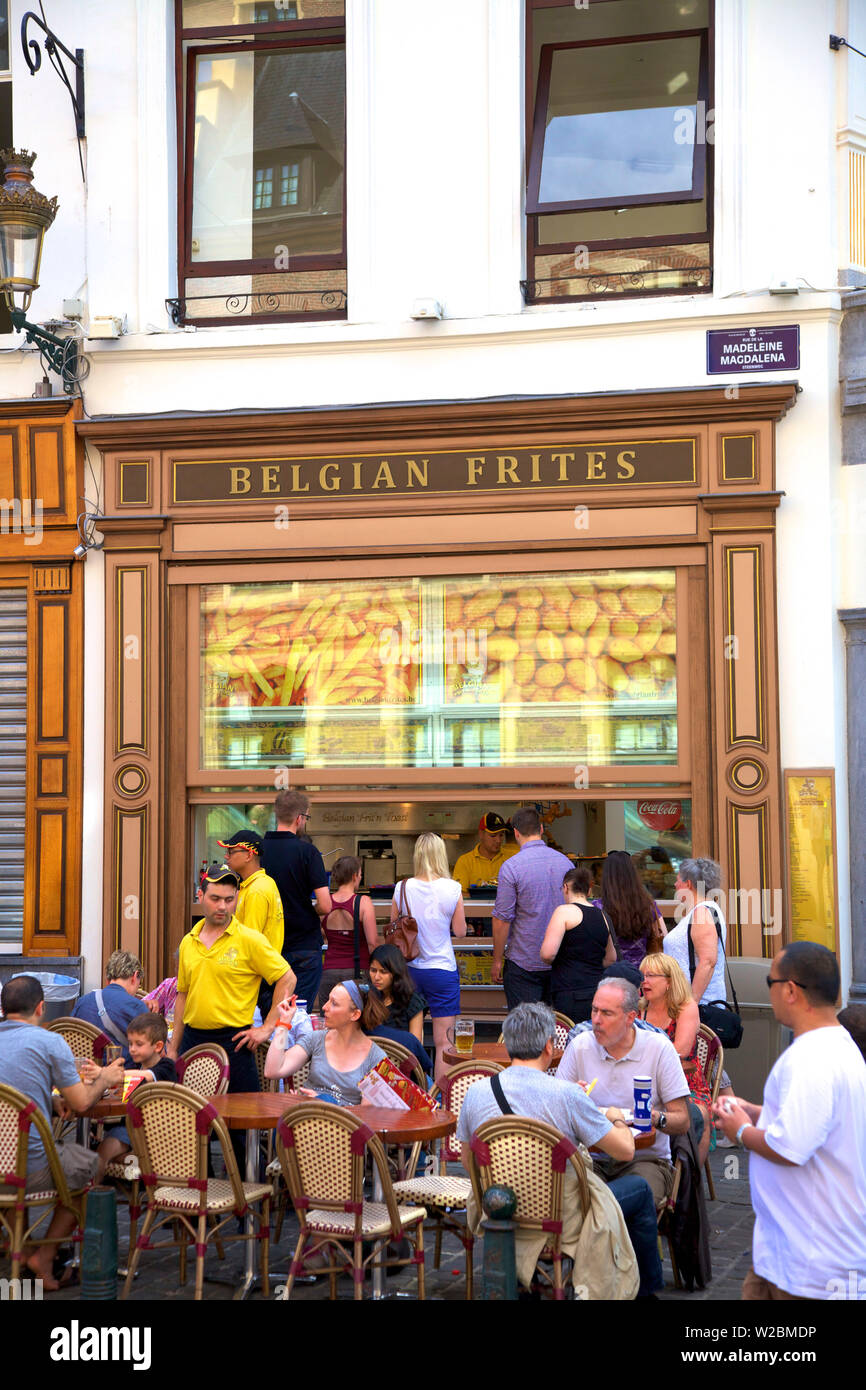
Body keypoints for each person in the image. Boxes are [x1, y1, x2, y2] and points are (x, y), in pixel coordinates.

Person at [457, 1002, 660, 1299]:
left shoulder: (475, 1092)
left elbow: (467, 1160)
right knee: (640, 1189)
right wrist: (614, 1115)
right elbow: (626, 1151)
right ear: (549, 1047)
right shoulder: (567, 1095)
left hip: (501, 1212)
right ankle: (645, 1292)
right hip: (561, 1219)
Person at [713, 942, 866, 1301]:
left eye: (771, 982)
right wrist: (756, 1112)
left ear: (791, 990)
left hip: (810, 1262)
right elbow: (813, 1125)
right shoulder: (838, 1046)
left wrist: (741, 1130)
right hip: (787, 1251)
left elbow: (790, 1146)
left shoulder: (810, 1058)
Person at [0, 975, 125, 1289]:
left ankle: (21, 1247)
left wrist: (51, 1100)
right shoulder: (48, 1041)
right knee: (90, 1165)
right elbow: (82, 1103)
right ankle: (44, 1255)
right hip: (30, 1171)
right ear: (41, 1007)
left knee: (22, 1160)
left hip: (2, 1167)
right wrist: (107, 1078)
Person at [558, 975, 691, 1205]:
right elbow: (555, 1108)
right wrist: (570, 1097)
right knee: (568, 1198)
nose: (596, 1020)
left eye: (606, 1013)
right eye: (594, 1010)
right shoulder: (581, 1045)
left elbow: (683, 1120)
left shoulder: (658, 1048)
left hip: (645, 1160)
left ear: (631, 1017)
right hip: (591, 1158)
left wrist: (655, 1118)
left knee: (620, 1201)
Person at [166, 866, 294, 1089]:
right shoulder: (188, 941)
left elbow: (288, 978)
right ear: (200, 896)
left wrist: (267, 1027)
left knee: (240, 1119)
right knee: (191, 1119)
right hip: (192, 1041)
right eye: (215, 899)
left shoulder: (250, 940)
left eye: (229, 899)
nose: (222, 906)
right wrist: (173, 1048)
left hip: (234, 1043)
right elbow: (182, 996)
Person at [391, 832, 467, 1085]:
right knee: (445, 1041)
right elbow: (460, 931)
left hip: (409, 970)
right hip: (442, 971)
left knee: (407, 1037)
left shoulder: (402, 888)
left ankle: (411, 1092)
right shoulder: (453, 888)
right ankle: (441, 1099)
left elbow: (393, 927)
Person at [491, 806, 573, 1008]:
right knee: (557, 1029)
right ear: (542, 829)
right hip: (559, 961)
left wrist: (497, 960)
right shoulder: (566, 864)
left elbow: (502, 920)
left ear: (516, 833)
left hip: (523, 963)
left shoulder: (511, 867)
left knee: (525, 1032)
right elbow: (574, 910)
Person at [83, 1011, 177, 1180]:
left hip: (156, 1132)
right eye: (130, 1043)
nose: (132, 1049)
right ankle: (133, 1162)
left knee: (101, 1154)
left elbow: (146, 1076)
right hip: (130, 1127)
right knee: (96, 1151)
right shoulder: (136, 1064)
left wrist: (105, 1072)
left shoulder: (166, 1067)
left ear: (157, 1046)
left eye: (139, 1044)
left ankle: (93, 1195)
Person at [639, 953, 713, 1166]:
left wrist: (643, 1053)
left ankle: (688, 1180)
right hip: (646, 1078)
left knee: (701, 1116)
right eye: (643, 975)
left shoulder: (686, 1007)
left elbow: (678, 1051)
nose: (645, 981)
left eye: (651, 975)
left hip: (686, 1084)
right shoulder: (639, 1009)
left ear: (669, 981)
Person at [262, 789, 332, 1011]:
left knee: (269, 1012)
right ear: (300, 818)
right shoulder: (308, 852)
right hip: (303, 945)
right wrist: (309, 909)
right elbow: (325, 904)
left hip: (267, 946)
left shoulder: (259, 851)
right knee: (297, 1013)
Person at [264, 979, 387, 1104]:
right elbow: (272, 1070)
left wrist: (327, 1104)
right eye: (328, 1000)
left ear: (355, 1014)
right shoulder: (317, 1039)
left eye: (334, 1003)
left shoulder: (376, 1058)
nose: (324, 1007)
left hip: (344, 1123)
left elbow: (367, 1115)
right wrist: (283, 1024)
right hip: (306, 1119)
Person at [540, 866, 618, 1023]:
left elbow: (547, 954)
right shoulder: (602, 915)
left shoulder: (564, 911)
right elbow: (611, 958)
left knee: (572, 1041)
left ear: (566, 887)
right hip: (597, 991)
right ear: (589, 890)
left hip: (569, 992)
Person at [317, 855, 379, 1008]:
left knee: (330, 1022)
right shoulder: (363, 902)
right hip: (357, 972)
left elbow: (322, 934)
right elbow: (372, 943)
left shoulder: (326, 903)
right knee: (359, 1020)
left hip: (329, 971)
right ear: (354, 876)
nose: (360, 877)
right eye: (360, 874)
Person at [597, 850, 665, 969]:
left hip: (609, 975)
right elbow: (663, 934)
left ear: (606, 876)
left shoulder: (598, 907)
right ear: (633, 874)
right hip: (641, 974)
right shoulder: (648, 905)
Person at [73, 950, 147, 1060]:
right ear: (135, 976)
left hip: (85, 1072)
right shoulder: (137, 1006)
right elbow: (151, 1048)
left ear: (107, 980)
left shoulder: (81, 1002)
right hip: (122, 1072)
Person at [368, 942, 427, 1043]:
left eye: (383, 972)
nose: (376, 977)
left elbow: (415, 1046)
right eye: (373, 970)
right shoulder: (366, 997)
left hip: (400, 1057)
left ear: (395, 972)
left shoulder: (412, 1002)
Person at [452, 811, 519, 892]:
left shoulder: (513, 858)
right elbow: (459, 895)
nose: (498, 840)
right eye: (493, 836)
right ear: (481, 834)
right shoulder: (465, 862)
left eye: (501, 835)